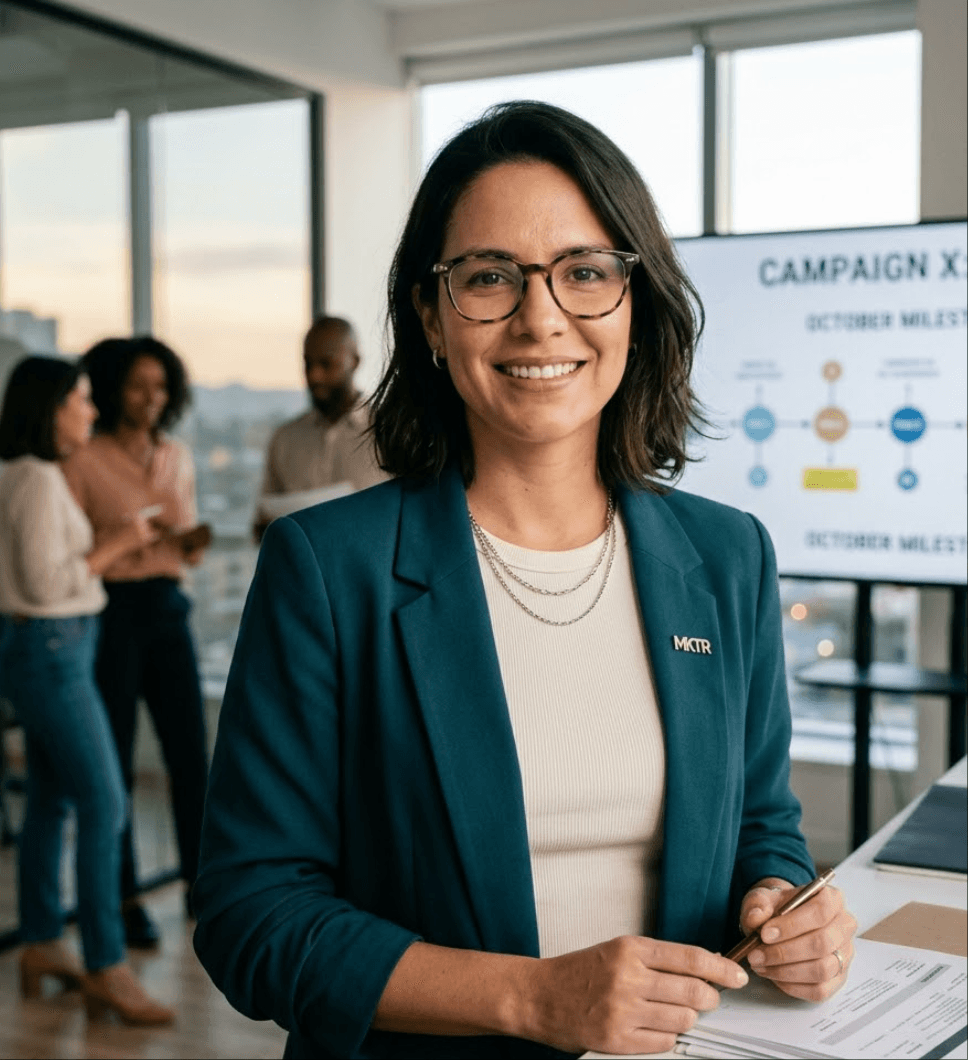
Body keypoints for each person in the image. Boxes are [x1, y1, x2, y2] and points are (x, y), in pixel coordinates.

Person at [193, 102, 857, 1059]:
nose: (540, 316)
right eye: (490, 278)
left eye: (586, 272)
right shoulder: (328, 570)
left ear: (636, 301)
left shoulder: (726, 555)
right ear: (430, 313)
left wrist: (784, 906)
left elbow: (761, 822)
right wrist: (535, 999)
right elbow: (251, 914)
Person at [0, 356, 173, 1025]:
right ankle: (107, 964)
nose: (92, 410)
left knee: (50, 799)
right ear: (50, 407)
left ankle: (43, 941)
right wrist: (120, 541)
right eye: (81, 399)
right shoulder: (40, 479)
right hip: (54, 648)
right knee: (105, 800)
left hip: (38, 648)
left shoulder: (17, 474)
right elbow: (47, 583)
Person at [61, 336, 210, 949]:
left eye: (160, 386)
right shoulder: (83, 459)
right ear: (110, 388)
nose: (151, 398)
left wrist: (189, 543)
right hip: (114, 616)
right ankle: (124, 903)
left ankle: (207, 890)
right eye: (137, 386)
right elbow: (75, 552)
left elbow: (183, 544)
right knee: (115, 763)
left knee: (191, 760)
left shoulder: (175, 453)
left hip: (169, 610)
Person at [253, 315, 384, 539]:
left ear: (355, 361)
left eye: (326, 363)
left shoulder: (389, 433)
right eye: (308, 363)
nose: (314, 376)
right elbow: (259, 528)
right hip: (301, 571)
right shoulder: (284, 439)